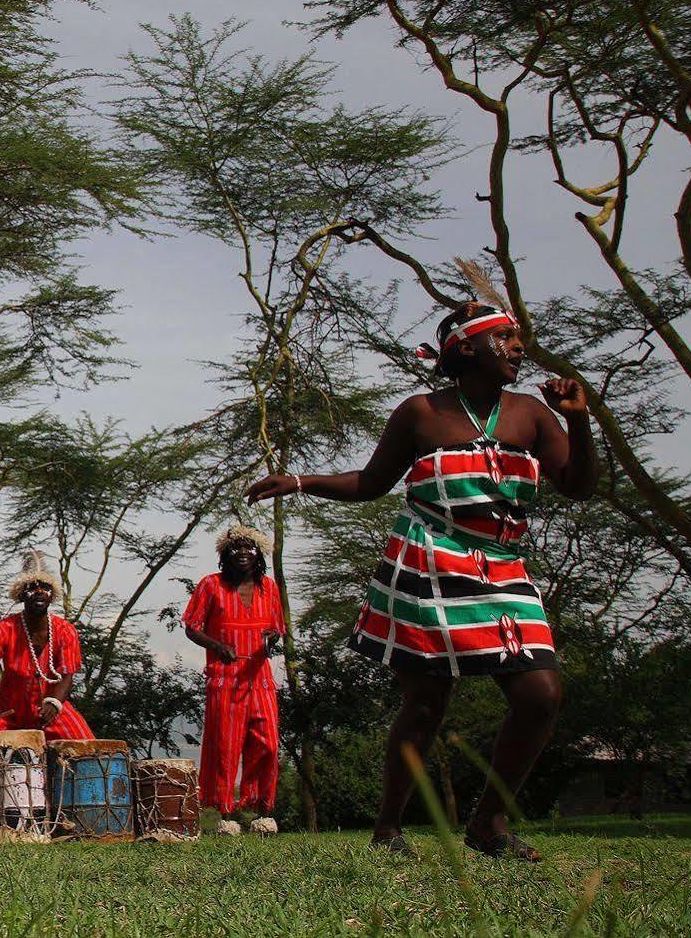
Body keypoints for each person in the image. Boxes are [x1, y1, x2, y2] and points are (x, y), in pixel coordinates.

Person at [247, 296, 596, 861]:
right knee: (428, 700)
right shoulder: (421, 413)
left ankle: (488, 825)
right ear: (466, 347)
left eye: (517, 340)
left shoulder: (531, 413)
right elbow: (371, 481)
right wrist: (300, 481)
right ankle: (388, 829)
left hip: (501, 565)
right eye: (504, 338)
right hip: (428, 556)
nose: (517, 348)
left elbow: (579, 485)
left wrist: (578, 419)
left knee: (540, 693)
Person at [0, 552, 94, 838]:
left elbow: (67, 675)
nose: (38, 592)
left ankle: (86, 815)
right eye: (32, 588)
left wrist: (55, 701)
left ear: (51, 596)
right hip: (9, 709)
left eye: (44, 588)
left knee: (88, 746)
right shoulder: (4, 628)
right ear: (21, 594)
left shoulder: (64, 630)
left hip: (52, 706)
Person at [182, 525, 284, 834]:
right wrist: (216, 646)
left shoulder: (269, 588)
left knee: (268, 743)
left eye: (249, 547)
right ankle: (225, 815)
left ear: (258, 554)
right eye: (236, 547)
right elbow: (191, 627)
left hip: (260, 677)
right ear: (225, 554)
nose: (243, 552)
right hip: (224, 678)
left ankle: (262, 810)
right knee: (226, 747)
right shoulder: (211, 586)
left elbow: (277, 628)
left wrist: (271, 639)